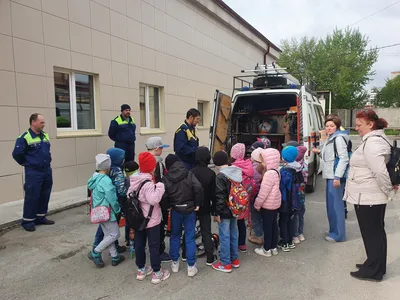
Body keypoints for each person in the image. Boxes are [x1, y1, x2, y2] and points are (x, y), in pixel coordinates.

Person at [345, 110, 397, 282]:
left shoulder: (373, 143)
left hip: (369, 197)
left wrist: (388, 191)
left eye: (360, 125)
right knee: (376, 233)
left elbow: (380, 172)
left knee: (372, 234)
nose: (357, 128)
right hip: (369, 196)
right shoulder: (376, 139)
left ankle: (373, 271)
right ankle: (375, 264)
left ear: (370, 125)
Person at [128, 152, 170, 284]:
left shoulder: (135, 179)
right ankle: (157, 273)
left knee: (139, 244)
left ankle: (141, 270)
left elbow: (129, 194)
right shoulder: (148, 183)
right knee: (153, 246)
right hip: (151, 220)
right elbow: (154, 199)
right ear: (151, 167)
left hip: (138, 220)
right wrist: (160, 186)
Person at [12, 113, 54, 232]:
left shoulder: (45, 135)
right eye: (41, 122)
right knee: (32, 195)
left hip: (46, 170)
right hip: (34, 172)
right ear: (33, 122)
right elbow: (17, 154)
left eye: (43, 122)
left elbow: (47, 151)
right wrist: (27, 163)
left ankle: (40, 217)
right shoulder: (24, 137)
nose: (43, 125)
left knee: (45, 194)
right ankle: (28, 221)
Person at [163, 154, 203, 277]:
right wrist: (197, 203)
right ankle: (191, 266)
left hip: (175, 210)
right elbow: (198, 188)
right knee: (190, 237)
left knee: (175, 235)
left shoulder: (166, 177)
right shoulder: (188, 173)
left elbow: (163, 195)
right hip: (190, 209)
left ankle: (175, 263)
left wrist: (168, 205)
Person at [313, 116, 349, 242]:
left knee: (336, 206)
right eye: (327, 126)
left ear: (337, 126)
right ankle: (333, 231)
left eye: (331, 126)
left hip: (335, 177)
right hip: (330, 175)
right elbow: (329, 156)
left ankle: (338, 235)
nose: (328, 128)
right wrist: (318, 152)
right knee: (331, 206)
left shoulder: (338, 139)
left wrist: (337, 176)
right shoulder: (331, 137)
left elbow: (344, 158)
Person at [87, 154, 125, 268]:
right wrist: (117, 209)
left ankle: (114, 256)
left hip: (98, 212)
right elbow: (112, 198)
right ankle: (96, 252)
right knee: (115, 234)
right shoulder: (106, 181)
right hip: (107, 212)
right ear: (107, 167)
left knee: (108, 234)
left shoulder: (94, 178)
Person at [93, 148, 127, 253]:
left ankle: (99, 244)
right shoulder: (117, 171)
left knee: (104, 226)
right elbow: (121, 191)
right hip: (113, 204)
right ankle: (97, 249)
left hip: (102, 204)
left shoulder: (102, 171)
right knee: (113, 229)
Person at [212, 151, 241, 273]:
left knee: (224, 236)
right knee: (234, 234)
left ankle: (225, 263)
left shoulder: (221, 176)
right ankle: (234, 259)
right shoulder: (236, 172)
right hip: (235, 208)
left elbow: (219, 196)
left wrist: (216, 213)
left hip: (224, 210)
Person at [145, 136, 171, 263]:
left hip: (146, 198)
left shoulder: (144, 160)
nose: (162, 150)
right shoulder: (158, 163)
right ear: (156, 148)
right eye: (161, 148)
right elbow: (161, 181)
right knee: (160, 225)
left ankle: (153, 247)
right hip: (158, 199)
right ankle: (159, 251)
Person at [191, 146, 217, 265]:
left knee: (189, 231)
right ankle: (210, 257)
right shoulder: (211, 173)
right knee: (206, 232)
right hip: (206, 206)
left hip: (192, 206)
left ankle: (186, 254)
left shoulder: (191, 172)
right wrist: (214, 210)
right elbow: (214, 194)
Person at [253, 148, 281, 257]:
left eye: (263, 160)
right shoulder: (276, 171)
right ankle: (274, 247)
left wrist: (257, 204)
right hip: (275, 204)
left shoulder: (269, 174)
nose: (262, 162)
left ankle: (266, 249)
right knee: (274, 225)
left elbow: (263, 193)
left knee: (267, 227)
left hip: (268, 205)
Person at [230, 143, 255, 253]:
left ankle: (233, 245)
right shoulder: (248, 165)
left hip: (235, 199)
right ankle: (242, 244)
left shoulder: (233, 167)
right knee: (242, 223)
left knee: (233, 223)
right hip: (245, 198)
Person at [278, 146, 301, 252]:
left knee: (283, 221)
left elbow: (281, 187)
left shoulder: (284, 172)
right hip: (296, 200)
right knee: (291, 220)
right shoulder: (298, 168)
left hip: (286, 200)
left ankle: (284, 242)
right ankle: (290, 241)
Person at [248, 147, 264, 245]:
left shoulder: (252, 168)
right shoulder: (266, 167)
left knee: (256, 217)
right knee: (263, 217)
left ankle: (259, 237)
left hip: (255, 197)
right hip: (265, 197)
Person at [292, 146, 308, 244]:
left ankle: (295, 235)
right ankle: (301, 233)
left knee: (295, 214)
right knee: (301, 213)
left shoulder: (294, 167)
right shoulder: (304, 165)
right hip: (302, 192)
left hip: (294, 194)